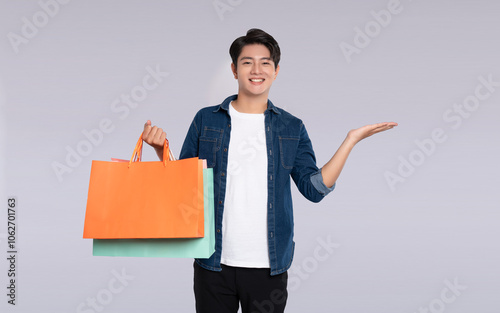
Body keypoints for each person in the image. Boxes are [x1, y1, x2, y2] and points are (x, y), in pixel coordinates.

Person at [142, 28, 397, 313]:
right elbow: (184, 185)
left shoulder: (291, 127)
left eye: (265, 62)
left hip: (268, 267)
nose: (256, 69)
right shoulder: (206, 120)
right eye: (247, 61)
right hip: (213, 263)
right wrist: (159, 150)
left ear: (276, 71)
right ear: (234, 69)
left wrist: (350, 141)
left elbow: (313, 190)